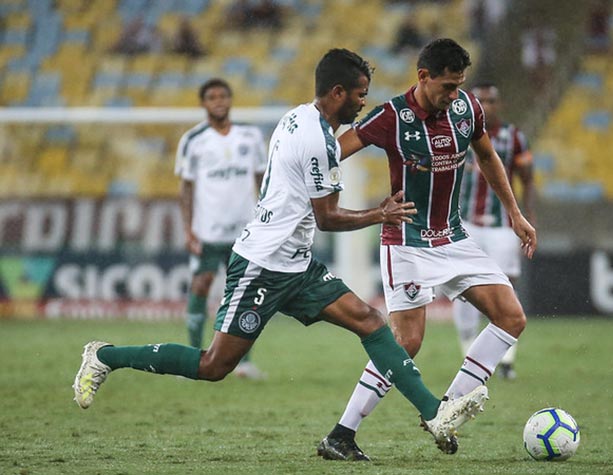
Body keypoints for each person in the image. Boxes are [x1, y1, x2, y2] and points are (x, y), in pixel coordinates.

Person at [73, 48, 489, 454]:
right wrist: (380, 214)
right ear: (338, 92)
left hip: (297, 265)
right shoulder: (317, 142)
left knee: (370, 321)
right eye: (361, 94)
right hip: (262, 266)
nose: (364, 103)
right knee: (214, 366)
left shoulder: (298, 116)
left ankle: (434, 412)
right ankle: (105, 355)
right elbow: (326, 218)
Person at [318, 38, 536, 461]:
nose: (454, 95)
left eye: (459, 86)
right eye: (447, 87)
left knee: (511, 317)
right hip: (406, 242)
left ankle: (446, 409)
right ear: (423, 77)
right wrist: (344, 201)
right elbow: (335, 153)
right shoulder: (390, 117)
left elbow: (489, 157)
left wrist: (515, 212)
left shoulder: (466, 109)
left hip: (453, 237)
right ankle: (342, 434)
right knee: (407, 344)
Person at [176, 77, 267, 380]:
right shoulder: (193, 140)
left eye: (223, 96)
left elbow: (262, 181)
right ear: (203, 103)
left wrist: (266, 218)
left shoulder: (250, 136)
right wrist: (188, 229)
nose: (218, 101)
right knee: (201, 285)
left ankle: (243, 363)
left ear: (230, 100)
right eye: (212, 97)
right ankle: (192, 355)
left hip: (245, 231)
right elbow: (186, 188)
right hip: (208, 231)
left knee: (243, 293)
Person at [454, 82, 535, 380]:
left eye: (491, 100)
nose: (486, 106)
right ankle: (468, 353)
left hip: (502, 225)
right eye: (481, 101)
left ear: (499, 105)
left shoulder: (514, 137)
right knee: (463, 289)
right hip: (465, 224)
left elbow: (527, 177)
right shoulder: (457, 131)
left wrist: (527, 214)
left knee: (505, 286)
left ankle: (507, 360)